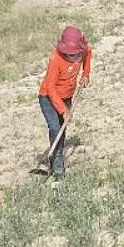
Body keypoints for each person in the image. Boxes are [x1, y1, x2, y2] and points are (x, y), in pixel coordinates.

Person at [35, 26, 93, 177]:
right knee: (55, 127)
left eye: (76, 55)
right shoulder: (55, 59)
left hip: (66, 96)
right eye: (70, 55)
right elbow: (51, 89)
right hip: (48, 98)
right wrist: (63, 110)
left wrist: (86, 74)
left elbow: (88, 53)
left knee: (62, 128)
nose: (74, 58)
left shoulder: (83, 51)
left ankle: (56, 158)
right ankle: (55, 160)